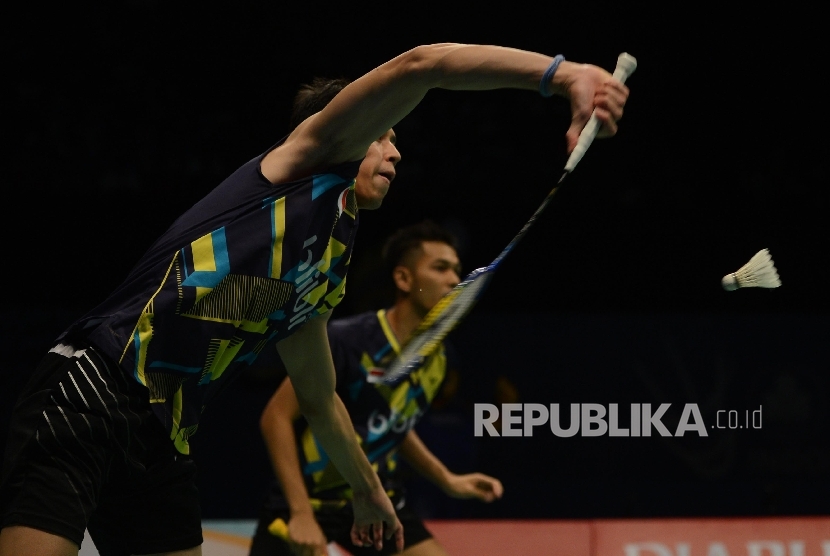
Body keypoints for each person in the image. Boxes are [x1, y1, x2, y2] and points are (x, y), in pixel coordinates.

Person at [0, 43, 629, 556]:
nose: (395, 149)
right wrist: (562, 74)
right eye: (384, 133)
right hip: (94, 386)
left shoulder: (323, 272)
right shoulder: (299, 166)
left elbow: (320, 399)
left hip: (166, 435)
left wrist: (368, 491)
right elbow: (426, 65)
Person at [249, 220, 502, 556]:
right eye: (440, 268)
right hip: (309, 500)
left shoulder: (438, 359)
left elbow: (392, 424)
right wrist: (301, 514)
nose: (454, 281)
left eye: (457, 270)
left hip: (378, 497)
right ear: (404, 279)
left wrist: (447, 479)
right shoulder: (347, 340)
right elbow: (275, 418)